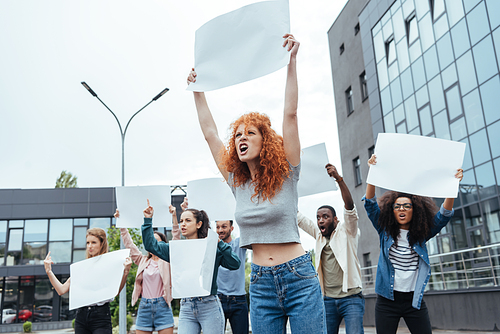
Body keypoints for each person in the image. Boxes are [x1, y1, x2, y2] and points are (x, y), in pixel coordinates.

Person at [187, 34, 326, 333]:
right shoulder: (237, 182)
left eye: (250, 133)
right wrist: (197, 91)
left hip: (299, 277)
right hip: (261, 282)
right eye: (237, 135)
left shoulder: (288, 171)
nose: (241, 138)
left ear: (266, 141)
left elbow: (291, 114)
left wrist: (292, 61)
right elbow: (211, 135)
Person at [363, 154, 463, 334]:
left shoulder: (421, 234)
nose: (402, 209)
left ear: (414, 211)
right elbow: (370, 204)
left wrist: (452, 184)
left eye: (407, 206)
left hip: (414, 301)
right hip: (387, 301)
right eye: (397, 206)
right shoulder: (384, 231)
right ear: (392, 211)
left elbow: (443, 215)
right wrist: (373, 172)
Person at [141, 200, 241, 334]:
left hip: (209, 305)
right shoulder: (176, 249)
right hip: (186, 307)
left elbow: (235, 264)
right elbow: (150, 246)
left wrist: (220, 244)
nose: (183, 224)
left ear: (199, 224)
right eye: (181, 221)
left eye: (187, 220)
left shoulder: (211, 248)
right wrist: (148, 220)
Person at [297, 163, 364, 334]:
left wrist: (338, 179)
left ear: (335, 220)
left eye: (325, 217)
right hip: (327, 300)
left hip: (351, 299)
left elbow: (350, 206)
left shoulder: (347, 231)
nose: (320, 221)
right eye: (318, 217)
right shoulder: (318, 235)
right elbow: (297, 216)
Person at [44, 228, 132, 334]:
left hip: (101, 316)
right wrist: (49, 271)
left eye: (93, 242)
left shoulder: (110, 264)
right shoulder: (82, 267)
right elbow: (61, 290)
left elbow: (116, 292)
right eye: (88, 243)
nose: (89, 246)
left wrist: (126, 272)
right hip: (81, 316)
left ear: (102, 243)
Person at [115, 200, 183, 334]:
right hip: (144, 306)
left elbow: (176, 239)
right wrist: (121, 224)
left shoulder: (168, 261)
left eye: (157, 242)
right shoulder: (142, 260)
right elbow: (129, 244)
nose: (153, 245)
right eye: (151, 241)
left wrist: (174, 218)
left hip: (163, 306)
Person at [216, 220, 249, 334]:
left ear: (232, 228)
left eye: (224, 226)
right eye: (218, 227)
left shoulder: (239, 244)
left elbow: (248, 229)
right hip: (218, 299)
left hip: (239, 300)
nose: (220, 230)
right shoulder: (213, 248)